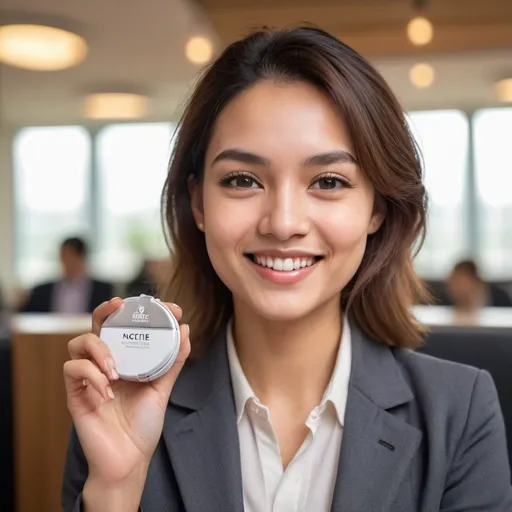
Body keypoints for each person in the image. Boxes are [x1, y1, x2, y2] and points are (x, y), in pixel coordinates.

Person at [61, 26, 512, 512]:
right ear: (198, 203)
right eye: (242, 180)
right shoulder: (122, 405)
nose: (283, 223)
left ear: (376, 210)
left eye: (328, 181)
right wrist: (116, 487)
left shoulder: (460, 410)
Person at [21, 237, 113, 314]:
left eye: (72, 257)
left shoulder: (103, 290)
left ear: (82, 257)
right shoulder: (41, 291)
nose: (67, 262)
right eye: (63, 257)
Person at [445, 259, 512, 312]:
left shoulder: (500, 297)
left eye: (459, 282)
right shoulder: (445, 300)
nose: (454, 288)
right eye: (452, 282)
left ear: (475, 281)